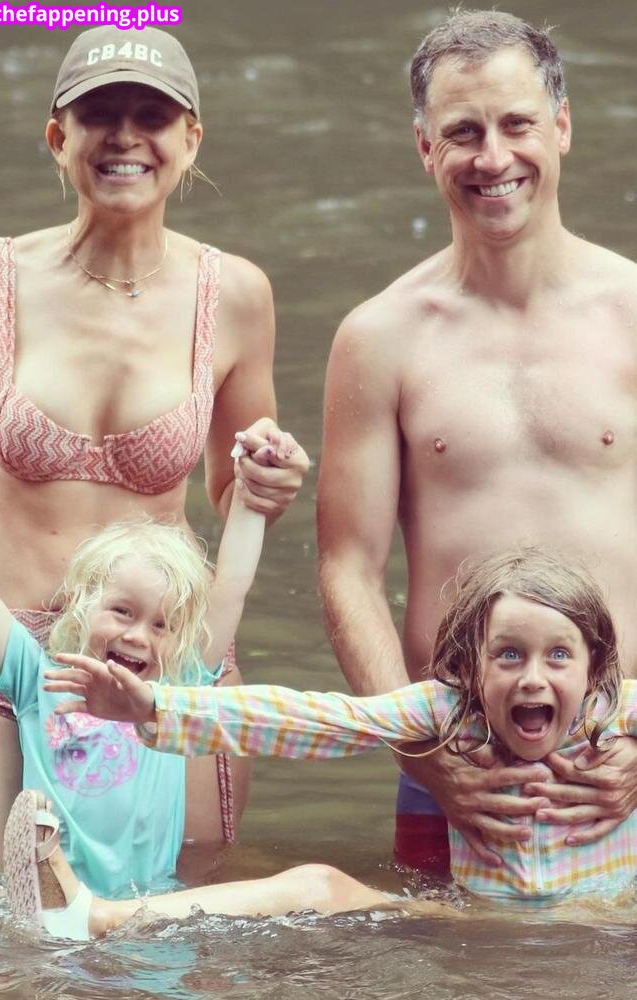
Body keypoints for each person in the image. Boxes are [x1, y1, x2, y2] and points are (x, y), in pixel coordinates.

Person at [0, 24, 308, 893]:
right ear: (58, 136)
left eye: (152, 116)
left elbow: (233, 488)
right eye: (100, 115)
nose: (125, 136)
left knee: (182, 912)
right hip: (7, 669)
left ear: (190, 138)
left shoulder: (234, 295)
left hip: (167, 671)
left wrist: (267, 481)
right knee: (11, 927)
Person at [316, 8, 637, 870]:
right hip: (451, 752)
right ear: (426, 147)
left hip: (623, 753)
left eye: (517, 124)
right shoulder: (379, 337)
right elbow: (348, 568)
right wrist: (421, 753)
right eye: (463, 132)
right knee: (440, 949)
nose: (493, 158)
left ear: (562, 126)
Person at [12, 548, 636, 938]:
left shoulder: (619, 714)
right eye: (509, 655)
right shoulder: (449, 711)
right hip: (478, 922)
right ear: (472, 669)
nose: (532, 678)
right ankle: (92, 918)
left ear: (596, 666)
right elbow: (312, 718)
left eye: (559, 655)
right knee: (318, 884)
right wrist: (155, 704)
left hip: (608, 919)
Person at [0, 490, 266, 899]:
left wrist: (248, 497)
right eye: (122, 611)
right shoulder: (38, 678)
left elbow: (233, 585)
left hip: (148, 904)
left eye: (161, 626)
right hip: (53, 905)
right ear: (81, 602)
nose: (137, 636)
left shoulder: (175, 689)